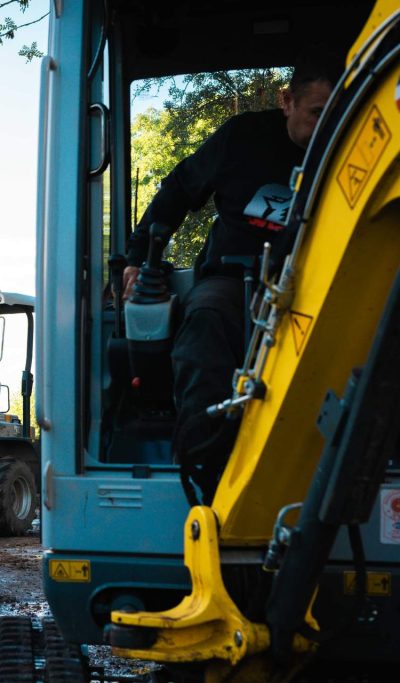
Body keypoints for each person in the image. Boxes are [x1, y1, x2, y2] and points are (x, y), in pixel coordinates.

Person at [123, 55, 338, 504]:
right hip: (234, 280)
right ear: (287, 102)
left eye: (337, 112)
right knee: (204, 320)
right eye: (318, 112)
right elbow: (179, 189)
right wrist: (136, 258)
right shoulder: (243, 138)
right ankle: (206, 470)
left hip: (321, 288)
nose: (327, 124)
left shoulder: (351, 147)